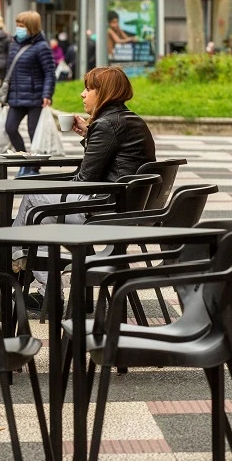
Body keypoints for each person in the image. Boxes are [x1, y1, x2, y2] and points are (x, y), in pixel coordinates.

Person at [13, 66, 156, 307]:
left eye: (89, 89)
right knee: (43, 213)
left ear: (104, 93)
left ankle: (22, 265)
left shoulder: (107, 125)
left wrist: (48, 188)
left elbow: (85, 180)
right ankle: (38, 276)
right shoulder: (129, 120)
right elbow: (108, 164)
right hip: (125, 208)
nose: (82, 94)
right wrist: (89, 134)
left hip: (104, 212)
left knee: (33, 202)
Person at [5, 11, 56, 175]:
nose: (18, 29)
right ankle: (23, 161)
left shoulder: (42, 47)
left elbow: (49, 72)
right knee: (10, 127)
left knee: (34, 132)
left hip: (36, 96)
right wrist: (5, 94)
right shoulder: (14, 44)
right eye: (18, 25)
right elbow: (10, 71)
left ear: (32, 27)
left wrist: (47, 94)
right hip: (16, 96)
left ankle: (33, 166)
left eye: (22, 26)